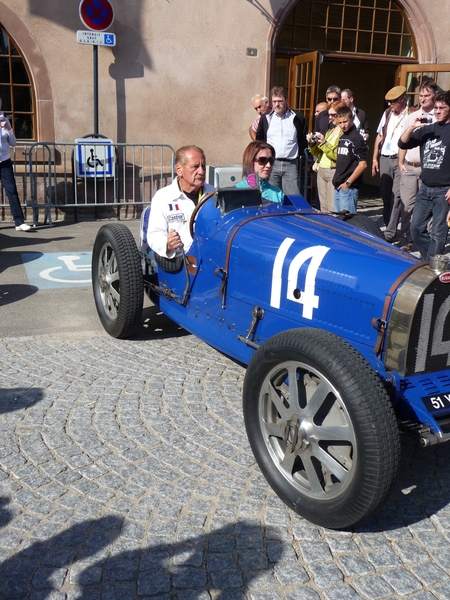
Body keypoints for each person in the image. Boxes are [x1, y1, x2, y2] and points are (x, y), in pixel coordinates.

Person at [398, 90, 450, 261]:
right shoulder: (427, 130)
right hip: (425, 188)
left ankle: (432, 266)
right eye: (436, 108)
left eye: (442, 108)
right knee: (415, 228)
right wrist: (412, 127)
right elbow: (402, 143)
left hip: (444, 190)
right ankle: (432, 261)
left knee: (438, 232)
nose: (438, 111)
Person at [141, 145, 214, 259]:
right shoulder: (163, 197)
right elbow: (154, 234)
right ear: (179, 170)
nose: (201, 171)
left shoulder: (213, 193)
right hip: (179, 259)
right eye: (195, 167)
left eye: (203, 166)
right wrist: (168, 244)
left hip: (210, 257)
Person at [394, 81, 438, 249]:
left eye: (427, 95)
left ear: (434, 96)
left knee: (428, 207)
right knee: (408, 205)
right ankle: (406, 240)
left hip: (429, 169)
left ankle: (426, 241)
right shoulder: (411, 117)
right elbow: (403, 142)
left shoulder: (439, 117)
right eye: (421, 95)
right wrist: (400, 163)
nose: (423, 98)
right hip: (410, 167)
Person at [372, 85, 415, 230]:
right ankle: (387, 223)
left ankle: (390, 231)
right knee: (386, 195)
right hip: (385, 157)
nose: (389, 104)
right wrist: (374, 159)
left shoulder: (411, 114)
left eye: (392, 101)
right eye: (388, 102)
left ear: (402, 99)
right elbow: (379, 136)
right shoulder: (387, 113)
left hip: (400, 158)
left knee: (397, 195)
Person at [255, 86, 307, 195]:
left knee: (293, 197)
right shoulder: (266, 118)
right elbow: (259, 139)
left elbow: (302, 140)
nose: (277, 104)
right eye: (274, 102)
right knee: (271, 196)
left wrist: (300, 159)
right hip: (271, 164)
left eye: (280, 101)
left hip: (291, 164)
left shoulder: (297, 117)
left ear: (287, 101)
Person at [307, 100, 346, 212]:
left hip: (333, 170)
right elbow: (319, 153)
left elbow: (338, 155)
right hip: (321, 169)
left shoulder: (344, 133)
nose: (330, 117)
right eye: (329, 115)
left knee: (332, 207)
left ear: (341, 115)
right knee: (323, 207)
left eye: (333, 115)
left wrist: (324, 143)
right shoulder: (330, 131)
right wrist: (312, 144)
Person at [0, 103, 31, 231]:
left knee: (12, 190)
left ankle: (19, 222)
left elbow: (13, 143)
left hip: (4, 161)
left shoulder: (5, 120)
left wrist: (8, 129)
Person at [332, 105, 368, 213]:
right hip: (338, 186)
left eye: (345, 121)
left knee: (348, 220)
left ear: (352, 118)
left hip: (348, 188)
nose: (343, 125)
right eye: (340, 123)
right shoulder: (342, 136)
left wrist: (348, 183)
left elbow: (363, 164)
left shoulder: (356, 138)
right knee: (337, 220)